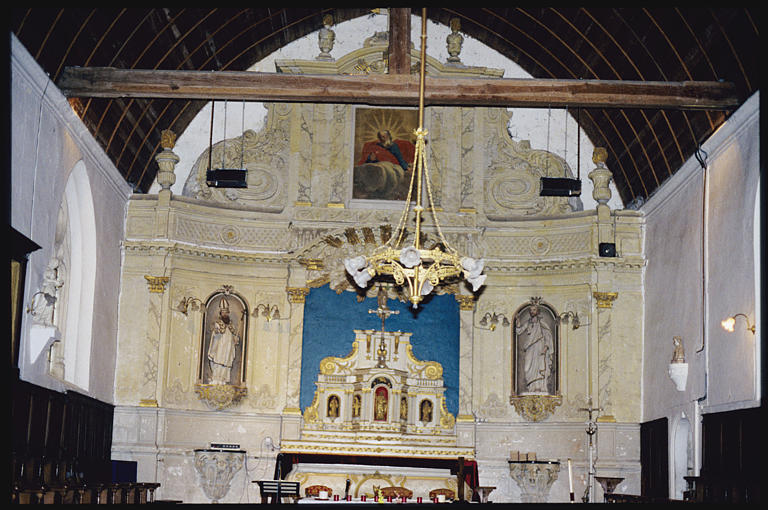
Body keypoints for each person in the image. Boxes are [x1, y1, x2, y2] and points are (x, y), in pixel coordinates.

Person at [353, 130, 415, 199]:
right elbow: (367, 159)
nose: (384, 138)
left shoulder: (393, 146)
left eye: (385, 136)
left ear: (389, 136)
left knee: (388, 170)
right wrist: (370, 158)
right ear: (379, 138)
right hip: (378, 164)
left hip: (391, 164)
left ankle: (382, 190)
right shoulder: (375, 146)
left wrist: (406, 167)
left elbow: (399, 158)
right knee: (374, 168)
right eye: (382, 136)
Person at [515, 303, 554, 393]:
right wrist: (517, 323)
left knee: (539, 366)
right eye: (531, 310)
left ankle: (539, 387)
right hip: (530, 348)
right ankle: (531, 387)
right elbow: (519, 331)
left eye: (534, 310)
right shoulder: (528, 323)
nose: (532, 312)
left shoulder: (542, 324)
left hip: (540, 347)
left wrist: (545, 347)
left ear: (538, 311)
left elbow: (548, 336)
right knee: (527, 368)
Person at [207, 297, 242, 385]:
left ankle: (223, 380)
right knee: (218, 362)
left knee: (226, 363)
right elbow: (215, 335)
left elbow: (234, 337)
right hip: (220, 348)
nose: (225, 314)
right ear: (221, 313)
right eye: (223, 312)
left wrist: (235, 339)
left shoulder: (231, 326)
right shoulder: (218, 324)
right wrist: (216, 331)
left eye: (226, 312)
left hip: (228, 349)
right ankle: (215, 378)